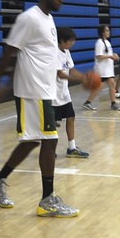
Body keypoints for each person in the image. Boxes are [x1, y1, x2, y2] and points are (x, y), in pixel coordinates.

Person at [0, 0, 78, 217]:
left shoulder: (49, 19)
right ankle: (47, 200)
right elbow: (9, 52)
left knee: (33, 141)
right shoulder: (29, 18)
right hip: (31, 91)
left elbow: (46, 58)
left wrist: (74, 78)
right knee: (50, 140)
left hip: (44, 90)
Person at [54, 27, 90, 159]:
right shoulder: (54, 53)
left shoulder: (66, 52)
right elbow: (61, 74)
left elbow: (72, 69)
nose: (72, 43)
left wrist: (84, 77)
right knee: (51, 125)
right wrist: (80, 79)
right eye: (70, 41)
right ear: (62, 41)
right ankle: (49, 150)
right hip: (53, 95)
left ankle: (72, 148)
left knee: (71, 117)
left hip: (64, 93)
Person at [82, 24, 120, 112]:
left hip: (108, 69)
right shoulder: (99, 43)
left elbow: (108, 54)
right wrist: (110, 56)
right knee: (99, 87)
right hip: (101, 70)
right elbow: (99, 56)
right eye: (107, 30)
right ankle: (88, 102)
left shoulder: (107, 42)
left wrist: (114, 56)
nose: (109, 32)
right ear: (103, 32)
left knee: (112, 84)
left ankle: (113, 103)